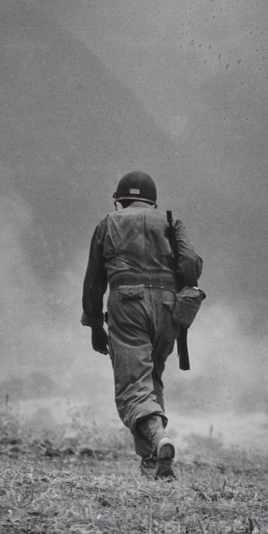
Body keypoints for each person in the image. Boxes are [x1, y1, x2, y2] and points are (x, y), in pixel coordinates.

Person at [81, 171, 202, 480]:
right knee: (150, 380)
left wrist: (95, 325)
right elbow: (189, 265)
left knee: (133, 387)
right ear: (152, 201)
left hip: (128, 304)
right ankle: (154, 466)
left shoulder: (108, 223)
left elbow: (94, 281)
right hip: (166, 307)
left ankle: (159, 440)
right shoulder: (171, 223)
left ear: (120, 200)